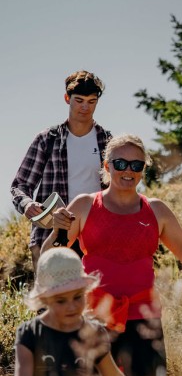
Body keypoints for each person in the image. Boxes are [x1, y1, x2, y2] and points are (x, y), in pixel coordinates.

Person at [44, 133, 182, 376]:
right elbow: (51, 259)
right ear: (106, 165)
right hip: (95, 318)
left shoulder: (156, 210)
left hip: (145, 319)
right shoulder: (85, 205)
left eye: (136, 166)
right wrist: (57, 229)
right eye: (121, 163)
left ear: (143, 170)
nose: (128, 171)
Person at [5, 248, 145, 376]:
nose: (71, 306)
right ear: (44, 300)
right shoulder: (30, 333)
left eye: (78, 297)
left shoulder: (93, 333)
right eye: (61, 301)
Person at [10, 70, 111, 269]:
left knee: (97, 298)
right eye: (79, 100)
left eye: (91, 101)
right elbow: (20, 185)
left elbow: (117, 189)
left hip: (96, 235)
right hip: (51, 235)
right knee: (51, 297)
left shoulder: (107, 142)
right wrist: (28, 204)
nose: (85, 107)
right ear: (67, 98)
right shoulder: (47, 139)